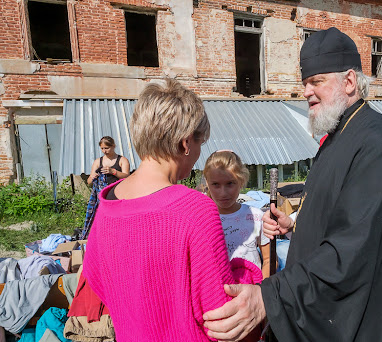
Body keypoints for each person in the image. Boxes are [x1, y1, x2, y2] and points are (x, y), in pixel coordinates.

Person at [203, 27, 382, 341]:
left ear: (349, 81)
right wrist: (295, 225)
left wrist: (270, 297)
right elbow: (341, 215)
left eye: (317, 81)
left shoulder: (377, 142)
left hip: (365, 317)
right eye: (305, 83)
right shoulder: (339, 135)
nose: (306, 91)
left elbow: (355, 246)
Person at [82, 79, 262, 342]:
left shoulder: (108, 202)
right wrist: (248, 274)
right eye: (200, 143)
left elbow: (96, 278)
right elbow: (222, 316)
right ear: (186, 143)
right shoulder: (195, 209)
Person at [203, 150, 271, 278]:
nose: (223, 193)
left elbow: (269, 259)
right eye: (216, 185)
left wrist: (260, 289)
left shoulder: (256, 216)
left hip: (250, 293)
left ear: (241, 181)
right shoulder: (202, 219)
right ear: (207, 183)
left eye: (230, 183)